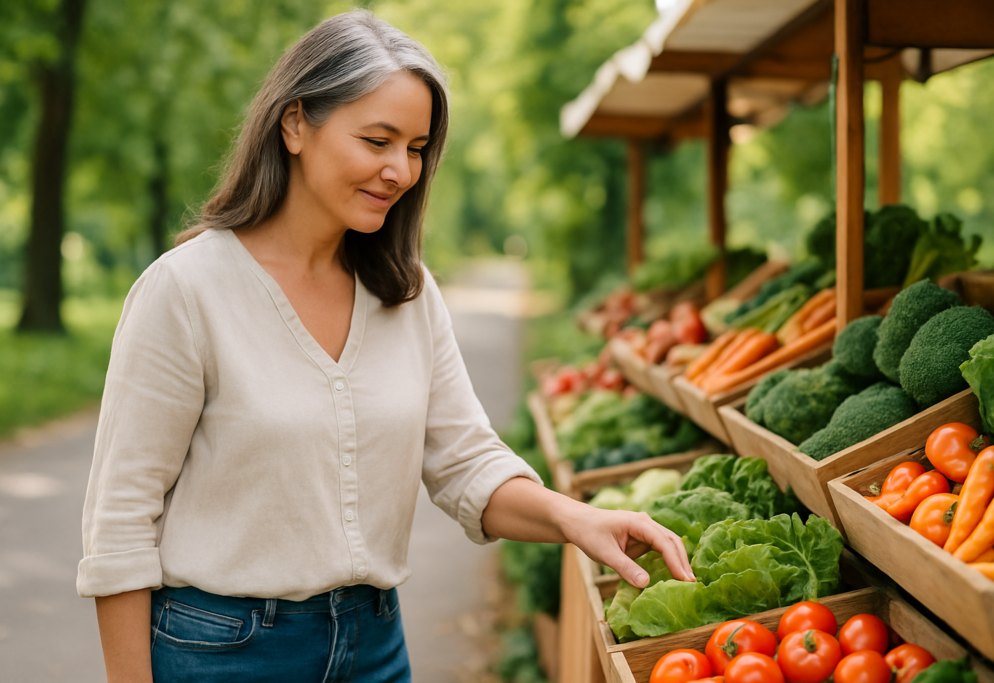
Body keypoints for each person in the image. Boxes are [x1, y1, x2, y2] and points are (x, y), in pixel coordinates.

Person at [77, 10, 694, 683]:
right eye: (377, 140)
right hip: (223, 653)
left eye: (417, 147)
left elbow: (464, 461)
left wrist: (578, 518)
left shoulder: (405, 291)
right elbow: (120, 522)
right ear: (294, 125)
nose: (400, 169)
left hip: (374, 648)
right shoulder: (186, 291)